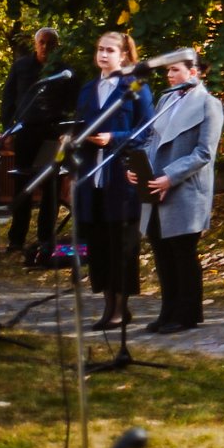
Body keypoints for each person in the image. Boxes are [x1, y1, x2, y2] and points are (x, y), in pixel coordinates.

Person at [128, 55, 223, 334]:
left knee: (182, 252)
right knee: (161, 251)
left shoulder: (209, 104)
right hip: (155, 186)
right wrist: (138, 168)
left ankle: (188, 313)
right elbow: (149, 139)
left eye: (175, 70)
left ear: (193, 72)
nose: (169, 75)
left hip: (185, 189)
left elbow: (204, 152)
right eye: (168, 70)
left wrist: (170, 176)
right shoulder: (165, 101)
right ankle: (167, 310)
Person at [74, 32, 155, 331]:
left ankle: (121, 307)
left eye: (110, 50)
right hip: (90, 176)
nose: (103, 55)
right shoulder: (87, 89)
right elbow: (79, 123)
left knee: (121, 244)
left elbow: (145, 131)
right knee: (98, 242)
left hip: (121, 176)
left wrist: (113, 138)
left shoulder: (135, 88)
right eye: (99, 49)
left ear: (124, 55)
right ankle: (107, 302)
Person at [1, 27, 77, 259]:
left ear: (57, 45)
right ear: (36, 44)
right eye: (42, 42)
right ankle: (16, 240)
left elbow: (74, 102)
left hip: (53, 135)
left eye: (50, 43)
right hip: (25, 133)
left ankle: (46, 239)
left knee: (51, 187)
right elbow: (8, 98)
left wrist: (68, 130)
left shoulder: (65, 71)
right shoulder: (21, 66)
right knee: (22, 185)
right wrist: (8, 130)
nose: (45, 47)